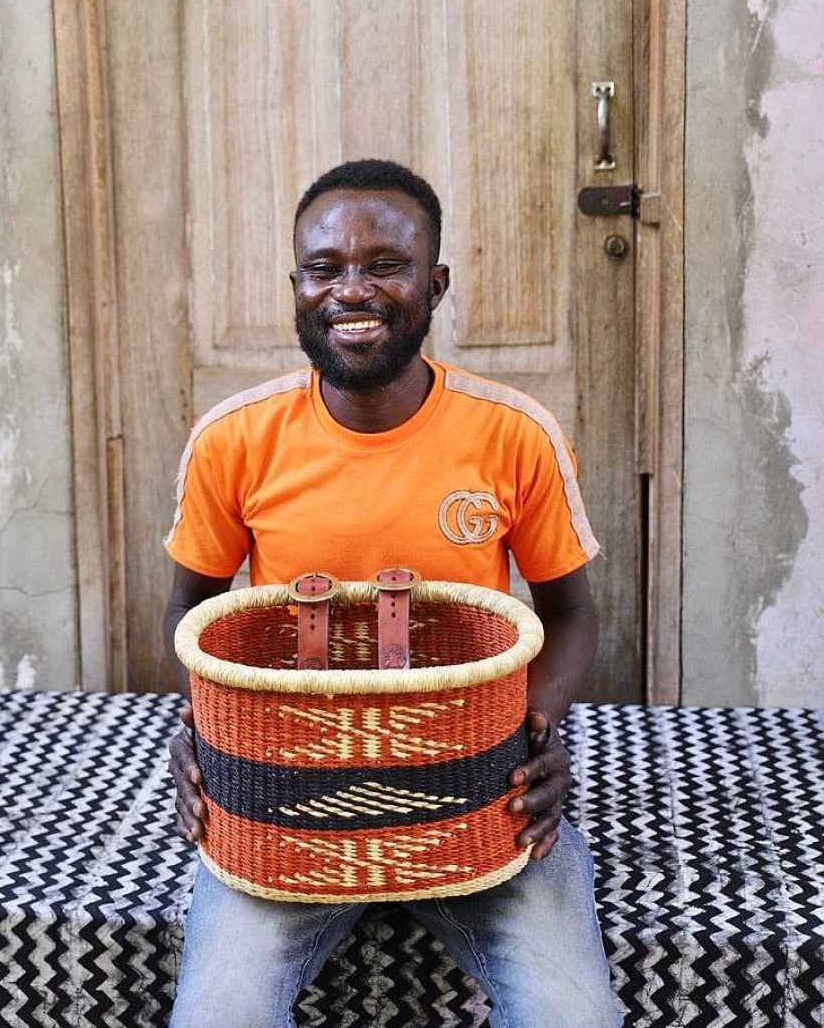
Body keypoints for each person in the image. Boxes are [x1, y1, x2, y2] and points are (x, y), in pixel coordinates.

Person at [164, 158, 621, 1028]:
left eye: (384, 264)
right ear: (295, 285)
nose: (351, 290)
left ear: (435, 283)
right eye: (324, 267)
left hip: (479, 801)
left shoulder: (513, 433)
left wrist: (530, 735)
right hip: (287, 812)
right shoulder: (233, 440)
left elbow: (569, 613)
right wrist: (206, 741)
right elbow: (192, 617)